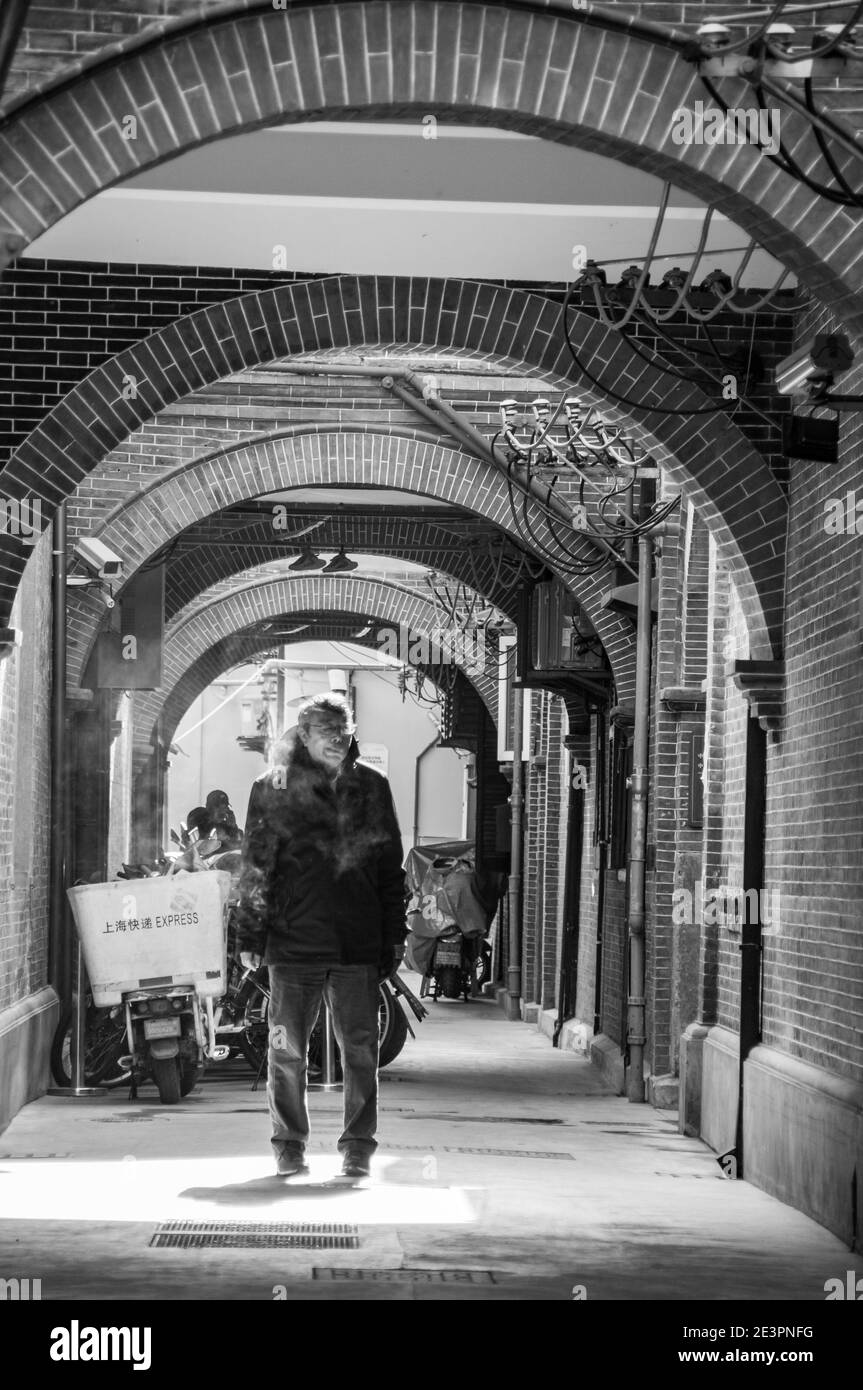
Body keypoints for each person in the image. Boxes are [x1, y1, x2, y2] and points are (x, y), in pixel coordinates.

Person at [234, 692, 408, 1179]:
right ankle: (289, 1145)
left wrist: (393, 935)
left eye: (343, 732)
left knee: (360, 1052)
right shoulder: (273, 785)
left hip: (356, 942)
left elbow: (389, 867)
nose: (337, 741)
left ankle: (358, 1147)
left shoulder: (371, 787)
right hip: (292, 943)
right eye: (326, 733)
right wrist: (249, 934)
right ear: (305, 736)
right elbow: (256, 865)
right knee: (286, 1051)